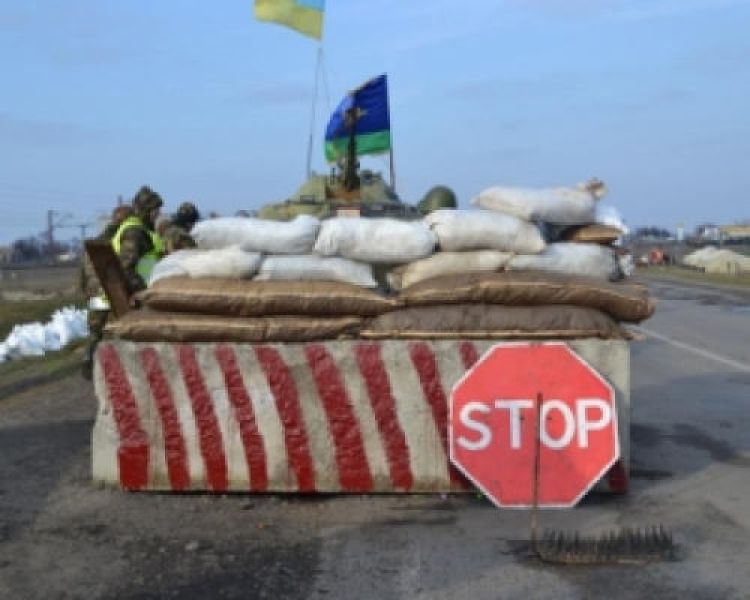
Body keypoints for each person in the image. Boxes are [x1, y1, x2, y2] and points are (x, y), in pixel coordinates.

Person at [80, 204, 134, 379]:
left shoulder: (94, 241)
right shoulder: (120, 240)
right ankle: (111, 368)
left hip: (94, 292)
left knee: (95, 331)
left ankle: (88, 357)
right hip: (110, 292)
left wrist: (86, 291)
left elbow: (82, 271)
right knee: (112, 332)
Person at [111, 185, 165, 292]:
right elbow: (125, 268)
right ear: (146, 211)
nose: (159, 214)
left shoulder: (141, 229)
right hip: (134, 295)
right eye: (156, 210)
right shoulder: (134, 232)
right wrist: (143, 291)